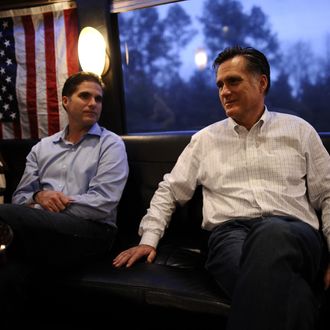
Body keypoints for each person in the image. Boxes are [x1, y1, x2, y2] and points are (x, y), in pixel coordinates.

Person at [113, 46, 330, 330]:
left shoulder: (300, 131)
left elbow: (327, 195)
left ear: (262, 82)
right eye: (219, 85)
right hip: (230, 236)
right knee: (289, 291)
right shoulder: (204, 140)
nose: (224, 92)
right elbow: (169, 190)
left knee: (272, 232)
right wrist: (148, 239)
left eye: (234, 81)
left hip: (295, 232)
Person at [0, 71, 129, 322]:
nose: (93, 103)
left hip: (94, 232)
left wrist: (47, 207)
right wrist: (39, 195)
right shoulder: (42, 148)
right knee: (9, 274)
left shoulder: (110, 144)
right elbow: (21, 197)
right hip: (41, 233)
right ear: (65, 101)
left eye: (98, 99)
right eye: (85, 96)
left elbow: (103, 204)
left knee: (3, 213)